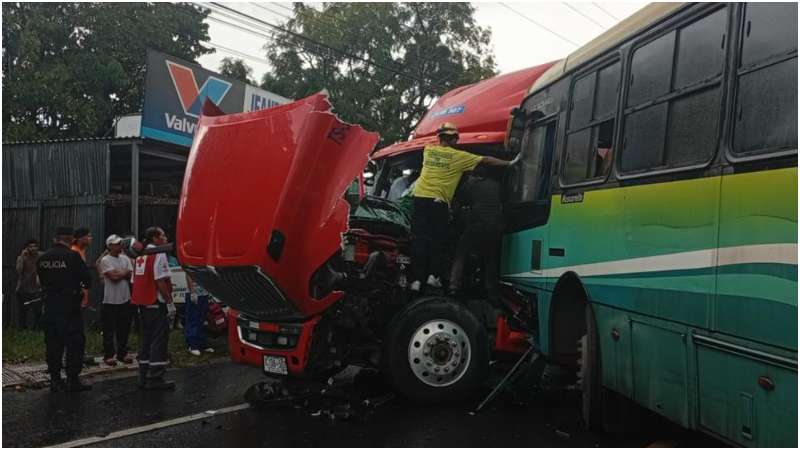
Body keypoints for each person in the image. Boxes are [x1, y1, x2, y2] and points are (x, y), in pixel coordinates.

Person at [409, 122, 512, 292]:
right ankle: (433, 276)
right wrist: (510, 163)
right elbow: (487, 160)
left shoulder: (428, 150)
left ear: (439, 138)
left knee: (419, 239)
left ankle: (416, 280)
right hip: (438, 201)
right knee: (438, 240)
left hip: (419, 199)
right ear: (455, 139)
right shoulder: (459, 157)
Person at [37, 226, 92, 393]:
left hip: (50, 305)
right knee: (75, 343)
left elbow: (40, 281)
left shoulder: (43, 257)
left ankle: (55, 380)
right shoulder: (73, 256)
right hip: (69, 307)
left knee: (53, 344)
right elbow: (87, 280)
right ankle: (72, 380)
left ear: (55, 238)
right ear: (70, 239)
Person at [449, 169, 504, 301]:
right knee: (490, 259)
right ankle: (491, 293)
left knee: (460, 253)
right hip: (495, 228)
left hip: (477, 226)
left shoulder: (471, 185)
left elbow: (458, 203)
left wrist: (455, 214)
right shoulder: (497, 185)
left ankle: (454, 286)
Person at [131, 226, 175, 390]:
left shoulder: (140, 255)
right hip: (156, 302)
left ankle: (143, 375)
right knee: (159, 340)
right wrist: (169, 302)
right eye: (163, 235)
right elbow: (160, 280)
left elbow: (134, 281)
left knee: (145, 340)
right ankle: (155, 377)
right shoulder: (158, 253)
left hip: (142, 303)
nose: (165, 238)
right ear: (155, 238)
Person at [98, 234, 134, 366]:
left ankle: (122, 353)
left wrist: (121, 273)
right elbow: (113, 277)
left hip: (125, 298)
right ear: (110, 246)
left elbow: (130, 274)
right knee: (108, 329)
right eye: (117, 243)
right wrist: (123, 273)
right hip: (110, 300)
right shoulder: (105, 260)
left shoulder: (125, 258)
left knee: (124, 328)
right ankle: (109, 355)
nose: (120, 245)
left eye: (120, 243)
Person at [184, 273, 215, 356]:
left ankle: (202, 343)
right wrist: (192, 292)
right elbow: (188, 274)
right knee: (193, 319)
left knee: (202, 320)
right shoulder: (191, 260)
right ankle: (192, 345)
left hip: (204, 293)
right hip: (195, 294)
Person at [16, 238, 42, 329]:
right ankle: (22, 331)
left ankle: (36, 331)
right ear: (26, 248)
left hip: (36, 289)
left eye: (35, 246)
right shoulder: (22, 257)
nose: (33, 248)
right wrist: (22, 258)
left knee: (38, 312)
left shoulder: (41, 256)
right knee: (22, 312)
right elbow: (19, 271)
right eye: (30, 246)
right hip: (23, 289)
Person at [70, 228, 92, 309]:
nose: (91, 238)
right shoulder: (74, 251)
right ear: (80, 238)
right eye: (88, 236)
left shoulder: (82, 250)